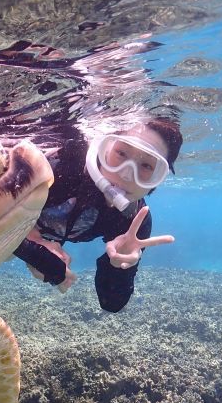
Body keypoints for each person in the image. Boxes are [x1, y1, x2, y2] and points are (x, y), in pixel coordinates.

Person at [11, 117, 183, 312]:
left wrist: (120, 267)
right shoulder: (62, 167)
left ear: (157, 180)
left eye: (146, 166)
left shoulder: (134, 221)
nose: (125, 174)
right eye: (121, 153)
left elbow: (111, 303)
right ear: (105, 149)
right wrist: (33, 248)